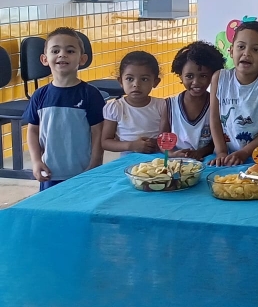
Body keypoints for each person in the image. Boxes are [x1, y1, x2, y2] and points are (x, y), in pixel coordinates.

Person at [23, 28, 105, 190]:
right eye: (55, 50)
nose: (62, 54)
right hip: (50, 173)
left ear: (82, 59)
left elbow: (98, 133)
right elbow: (32, 131)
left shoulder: (90, 94)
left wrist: (95, 163)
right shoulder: (40, 95)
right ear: (45, 59)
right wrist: (36, 161)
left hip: (82, 173)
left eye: (70, 50)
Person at [209, 21, 258, 166]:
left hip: (256, 157)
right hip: (226, 156)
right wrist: (221, 151)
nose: (246, 53)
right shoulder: (219, 78)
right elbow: (214, 118)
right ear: (231, 51)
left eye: (256, 49)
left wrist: (245, 152)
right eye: (241, 47)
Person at [160, 41, 225, 160]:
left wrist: (200, 152)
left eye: (203, 76)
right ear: (180, 76)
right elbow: (163, 138)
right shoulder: (170, 104)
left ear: (213, 76)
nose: (196, 82)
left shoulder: (217, 104)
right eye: (189, 76)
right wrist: (172, 154)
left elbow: (219, 138)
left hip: (207, 158)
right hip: (176, 160)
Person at [101, 52, 166, 155]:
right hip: (127, 162)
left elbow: (167, 136)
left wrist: (158, 143)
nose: (136, 84)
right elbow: (105, 142)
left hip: (157, 160)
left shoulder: (162, 106)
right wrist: (131, 145)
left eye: (144, 79)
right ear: (121, 81)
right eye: (129, 79)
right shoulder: (115, 107)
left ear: (155, 82)